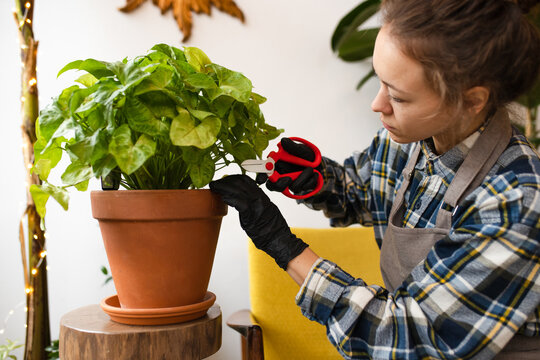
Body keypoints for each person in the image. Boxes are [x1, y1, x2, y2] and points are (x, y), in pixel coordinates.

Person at [210, 0, 540, 358]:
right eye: (381, 82)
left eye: (397, 96)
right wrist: (318, 179)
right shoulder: (408, 141)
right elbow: (364, 190)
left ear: (472, 99)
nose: (377, 104)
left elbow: (409, 337)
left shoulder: (515, 200)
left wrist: (285, 248)